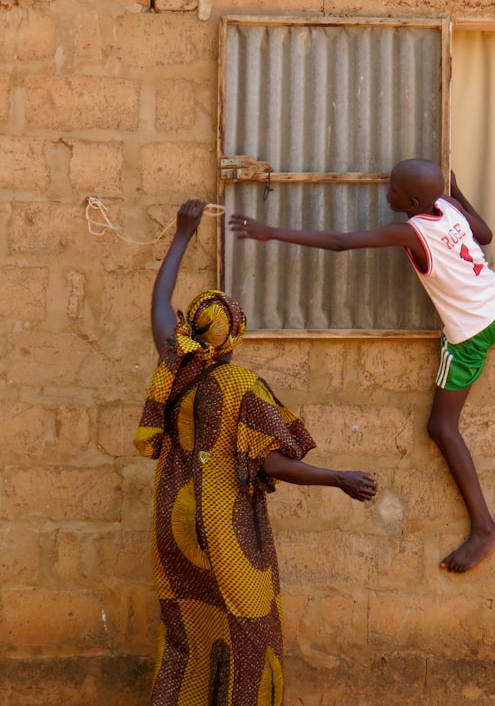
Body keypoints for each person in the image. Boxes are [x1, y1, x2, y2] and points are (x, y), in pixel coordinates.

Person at [136, 199, 377, 705]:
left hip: (172, 520)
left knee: (187, 630)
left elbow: (159, 303)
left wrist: (183, 234)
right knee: (250, 632)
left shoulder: (174, 362)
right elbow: (272, 463)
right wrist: (339, 478)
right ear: (235, 335)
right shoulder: (242, 386)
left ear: (194, 329)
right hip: (226, 524)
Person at [229, 159, 495, 573]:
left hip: (474, 331)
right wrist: (455, 194)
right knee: (446, 409)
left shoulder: (412, 230)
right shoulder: (448, 208)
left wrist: (271, 231)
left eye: (392, 189)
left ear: (413, 201)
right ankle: (484, 527)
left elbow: (338, 242)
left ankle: (485, 528)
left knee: (441, 427)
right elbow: (485, 234)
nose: (386, 194)